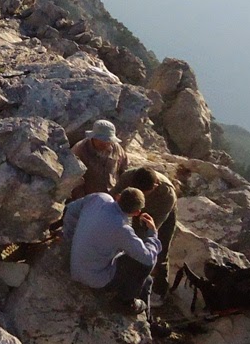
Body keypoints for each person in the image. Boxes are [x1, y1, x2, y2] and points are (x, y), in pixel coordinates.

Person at [63, 188, 162, 315]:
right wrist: (153, 233)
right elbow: (148, 258)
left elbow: (70, 209)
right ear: (137, 212)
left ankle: (148, 319)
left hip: (75, 266)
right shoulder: (121, 228)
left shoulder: (99, 198)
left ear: (118, 197)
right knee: (144, 264)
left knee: (147, 281)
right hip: (95, 279)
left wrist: (69, 237)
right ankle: (125, 302)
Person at [114, 165, 178, 297]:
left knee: (161, 248)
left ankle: (159, 290)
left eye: (145, 192)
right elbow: (113, 199)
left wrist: (139, 249)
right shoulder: (128, 177)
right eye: (138, 190)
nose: (142, 194)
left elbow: (152, 230)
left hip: (158, 212)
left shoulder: (166, 195)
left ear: (155, 186)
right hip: (132, 205)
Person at [71, 119, 129, 199]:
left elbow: (124, 169)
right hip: (89, 199)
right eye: (102, 140)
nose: (105, 144)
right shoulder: (80, 150)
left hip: (112, 197)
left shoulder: (116, 148)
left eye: (108, 140)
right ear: (93, 137)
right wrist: (82, 199)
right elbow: (73, 180)